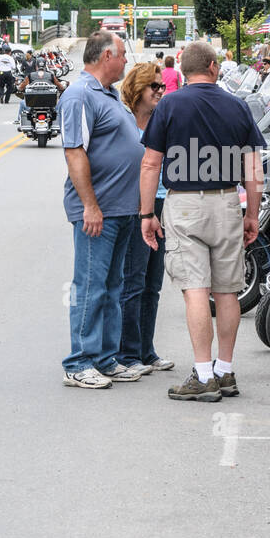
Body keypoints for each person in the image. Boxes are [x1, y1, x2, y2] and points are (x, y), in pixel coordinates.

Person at [139, 40, 266, 402]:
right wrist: (252, 213)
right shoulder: (237, 105)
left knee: (195, 289)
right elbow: (253, 168)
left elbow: (150, 164)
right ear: (212, 66)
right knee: (227, 291)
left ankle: (203, 373)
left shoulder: (170, 106)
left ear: (184, 70)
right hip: (227, 201)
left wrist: (147, 214)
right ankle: (225, 371)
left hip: (184, 204)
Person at [60, 29, 146, 389]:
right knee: (92, 286)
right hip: (100, 212)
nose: (127, 60)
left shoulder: (110, 94)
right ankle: (79, 361)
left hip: (122, 209)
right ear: (106, 56)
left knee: (113, 286)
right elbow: (74, 151)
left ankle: (105, 358)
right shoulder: (80, 95)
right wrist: (90, 206)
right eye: (123, 54)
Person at [118, 62, 175, 373]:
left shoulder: (162, 120)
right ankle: (127, 354)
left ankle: (146, 350)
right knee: (133, 281)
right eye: (154, 86)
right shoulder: (125, 123)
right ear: (137, 88)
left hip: (163, 204)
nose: (160, 91)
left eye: (161, 85)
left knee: (153, 283)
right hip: (137, 206)